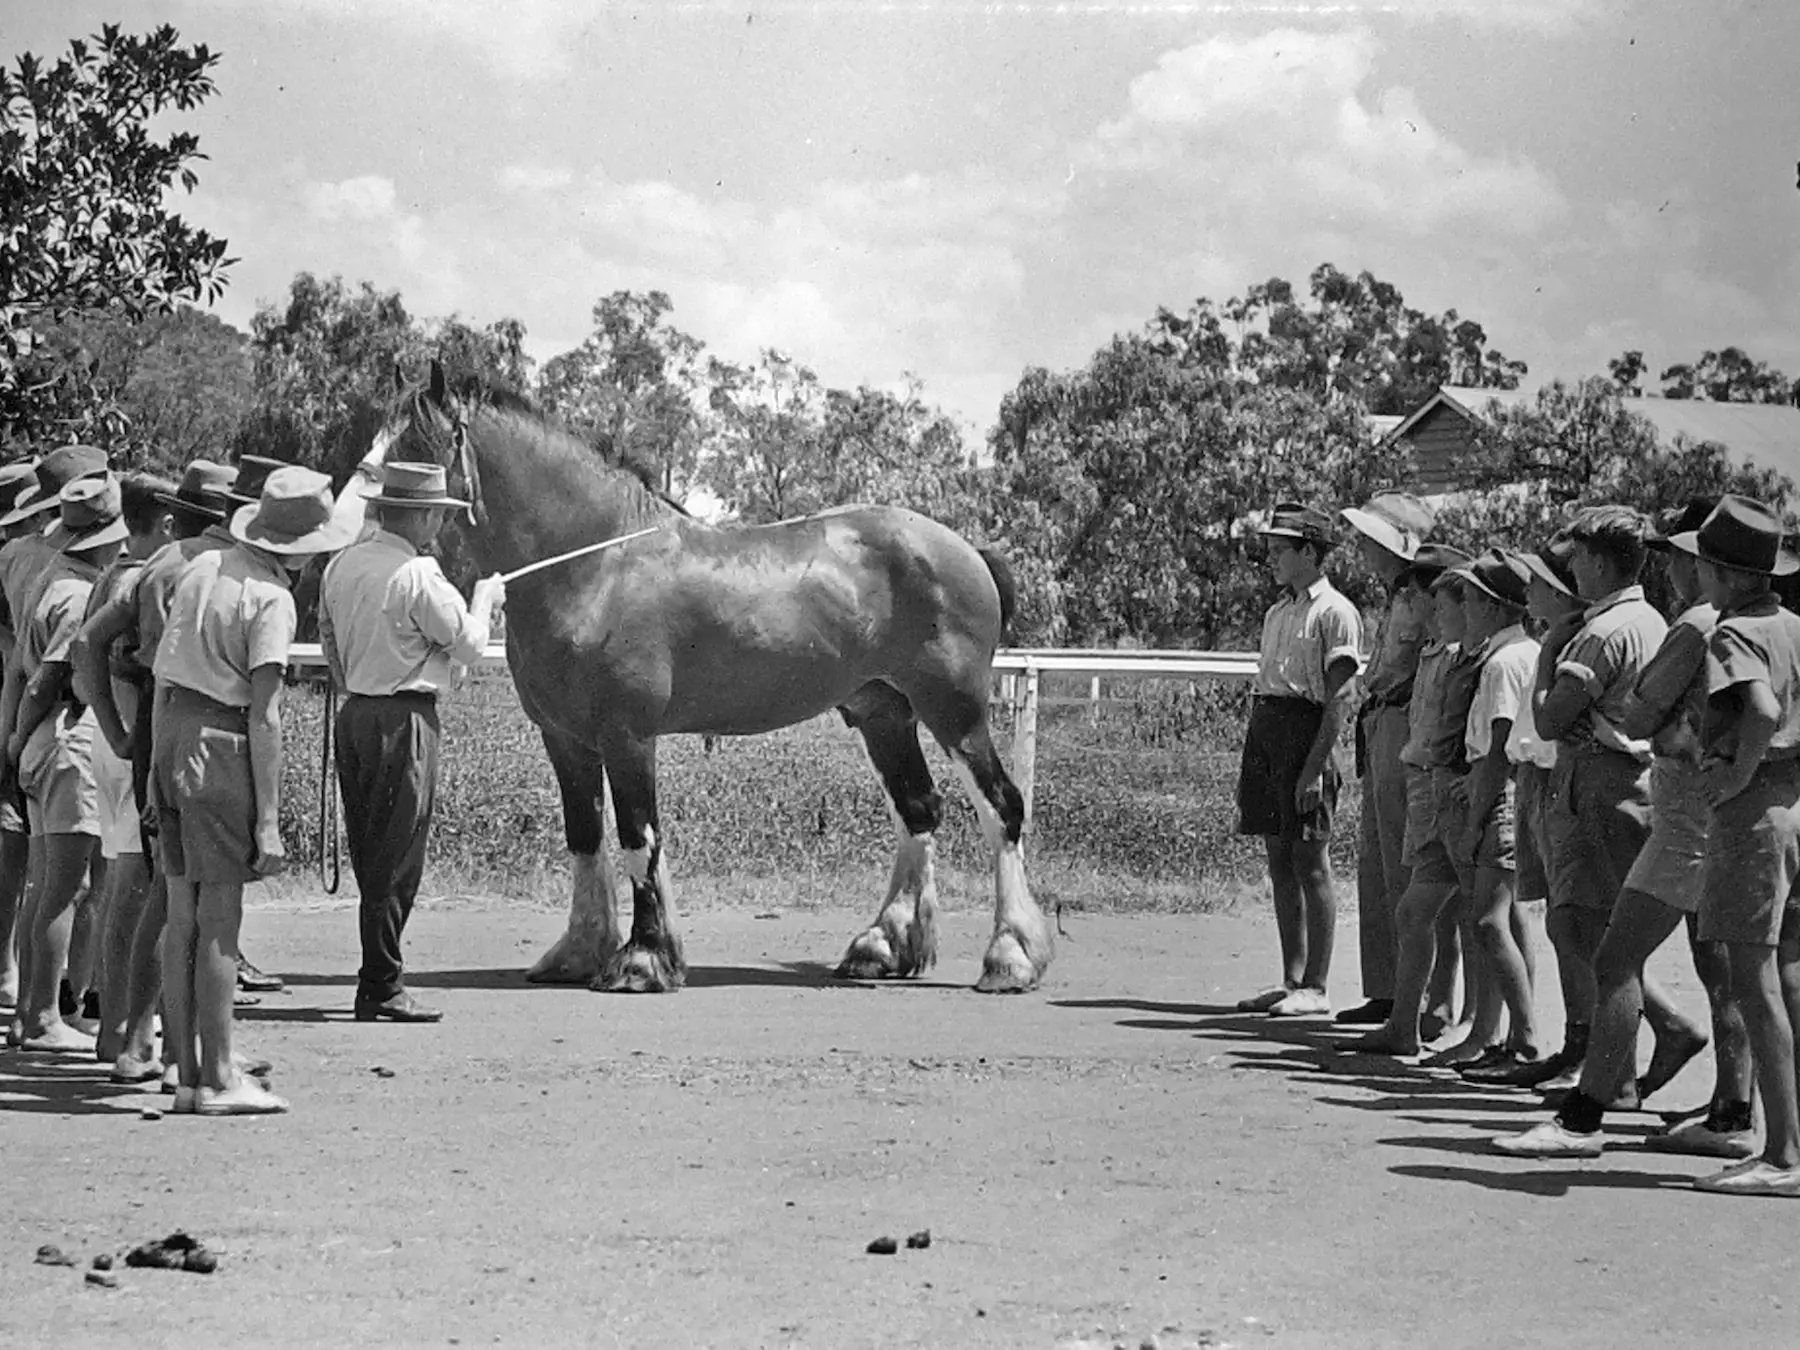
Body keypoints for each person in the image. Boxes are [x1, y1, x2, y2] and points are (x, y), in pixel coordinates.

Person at [1495, 499, 1752, 1158]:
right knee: (1719, 966)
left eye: (1681, 558)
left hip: (1680, 812)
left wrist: (1605, 708)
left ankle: (1586, 1115)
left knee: (1613, 956)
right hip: (1702, 808)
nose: (1675, 569)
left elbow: (1628, 719)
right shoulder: (1706, 621)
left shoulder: (1692, 626)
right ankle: (1731, 1110)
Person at [151, 466, 363, 1115]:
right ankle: (217, 1076)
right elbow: (264, 713)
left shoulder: (202, 568)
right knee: (221, 923)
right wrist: (268, 820)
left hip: (172, 734)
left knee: (181, 918)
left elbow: (164, 673)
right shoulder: (270, 597)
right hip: (221, 743)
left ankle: (187, 1073)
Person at [318, 461, 505, 1024]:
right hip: (405, 721)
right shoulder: (418, 574)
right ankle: (381, 981)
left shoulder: (340, 565)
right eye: (438, 516)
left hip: (355, 714)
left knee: (372, 850)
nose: (440, 529)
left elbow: (329, 641)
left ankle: (378, 972)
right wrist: (484, 599)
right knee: (398, 855)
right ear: (421, 515)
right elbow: (469, 644)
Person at [1668, 497, 1800, 1196]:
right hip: (1796, 802)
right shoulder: (1793, 625)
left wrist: (1742, 770)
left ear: (1721, 573)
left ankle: (1781, 1156)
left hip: (1754, 810)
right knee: (1790, 975)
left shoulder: (1732, 633)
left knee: (1754, 979)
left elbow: (1764, 710)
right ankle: (1793, 1141)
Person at [1521, 505, 1667, 1094]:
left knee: (1588, 930)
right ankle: (1625, 1058)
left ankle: (1614, 1076)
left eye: (1578, 558)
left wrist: (1548, 655)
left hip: (1602, 784)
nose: (1572, 570)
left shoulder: (1600, 632)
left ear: (1603, 562)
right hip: (1624, 784)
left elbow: (1553, 719)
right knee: (1595, 929)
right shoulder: (1648, 620)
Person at [8, 475, 127, 1053]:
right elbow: (50, 678)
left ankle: (35, 1009)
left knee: (46, 884)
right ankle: (40, 1015)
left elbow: (20, 676)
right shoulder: (79, 595)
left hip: (43, 743)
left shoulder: (49, 581)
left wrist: (17, 742)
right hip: (67, 736)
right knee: (67, 886)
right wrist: (26, 733)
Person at [1345, 548, 1480, 1058]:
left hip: (1445, 783)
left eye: (1421, 593)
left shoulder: (1460, 656)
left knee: (1456, 903)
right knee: (1421, 895)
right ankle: (1420, 1012)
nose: (1414, 601)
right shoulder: (1433, 652)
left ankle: (1458, 1011)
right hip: (1422, 775)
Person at [1233, 502, 1361, 1019]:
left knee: (1311, 860)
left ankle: (1317, 984)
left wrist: (1314, 768)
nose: (1273, 560)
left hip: (1307, 734)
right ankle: (1291, 978)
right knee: (1279, 858)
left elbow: (1339, 699)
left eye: (1282, 550)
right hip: (1269, 729)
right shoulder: (1278, 612)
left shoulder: (1334, 612)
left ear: (1310, 552)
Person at [71, 472, 173, 1064]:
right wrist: (122, 731)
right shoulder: (142, 581)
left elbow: (85, 656)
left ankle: (115, 1026)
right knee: (137, 892)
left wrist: (107, 726)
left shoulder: (111, 575)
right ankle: (129, 1032)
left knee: (117, 889)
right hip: (132, 743)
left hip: (110, 745)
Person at [1338, 492, 1436, 1027]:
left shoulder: (1422, 598)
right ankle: (1385, 987)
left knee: (1405, 863)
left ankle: (1413, 996)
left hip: (1404, 724)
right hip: (1381, 723)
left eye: (1371, 539)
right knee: (1376, 860)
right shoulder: (1395, 597)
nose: (1362, 549)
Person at [1443, 550, 1541, 1076]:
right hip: (1507, 789)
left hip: (1499, 793)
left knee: (1487, 920)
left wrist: (1476, 815)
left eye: (1474, 600)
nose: (1468, 609)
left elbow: (1499, 746)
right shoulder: (1524, 652)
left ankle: (1522, 1037)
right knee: (1505, 917)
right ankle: (1495, 1032)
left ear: (1493, 606)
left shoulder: (1503, 662)